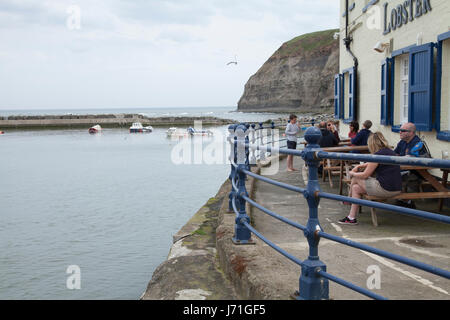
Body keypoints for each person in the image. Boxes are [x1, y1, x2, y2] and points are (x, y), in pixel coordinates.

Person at [339, 132, 402, 225]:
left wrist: (352, 173)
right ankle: (351, 218)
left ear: (371, 143)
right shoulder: (389, 151)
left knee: (356, 178)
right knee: (355, 188)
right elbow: (373, 163)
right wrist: (362, 166)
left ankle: (349, 199)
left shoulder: (376, 155)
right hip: (397, 188)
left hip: (385, 189)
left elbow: (365, 175)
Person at [394, 122, 431, 208]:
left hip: (416, 173)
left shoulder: (418, 143)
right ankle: (401, 198)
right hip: (403, 169)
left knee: (390, 174)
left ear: (411, 133)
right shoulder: (402, 142)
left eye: (403, 130)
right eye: (400, 130)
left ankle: (405, 200)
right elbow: (394, 154)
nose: (400, 132)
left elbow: (410, 160)